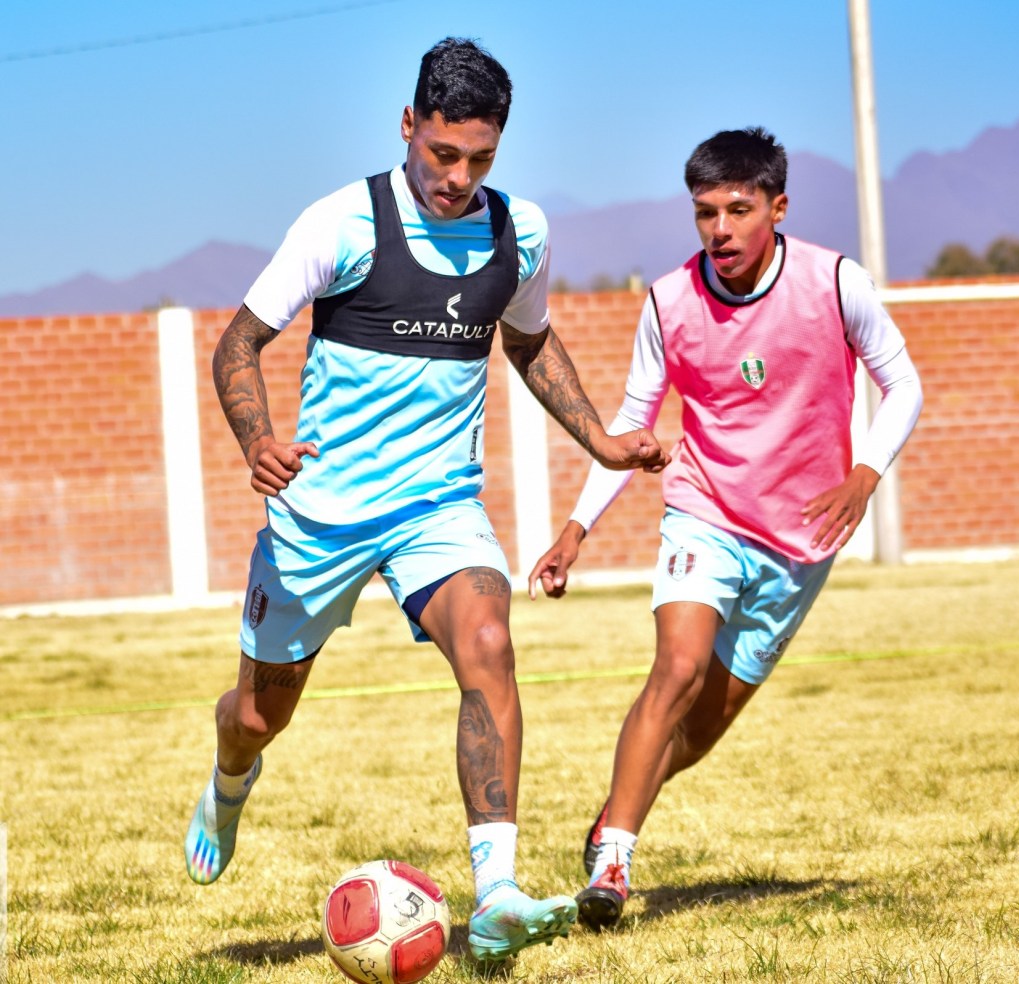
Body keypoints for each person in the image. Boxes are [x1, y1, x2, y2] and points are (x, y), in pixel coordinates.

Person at [182, 37, 668, 964]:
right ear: (409, 126)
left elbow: (527, 340)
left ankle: (496, 897)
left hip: (436, 504)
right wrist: (260, 444)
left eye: (479, 158)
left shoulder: (518, 231)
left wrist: (602, 438)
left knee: (489, 641)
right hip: (320, 512)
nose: (457, 177)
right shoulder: (342, 223)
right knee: (257, 714)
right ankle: (228, 781)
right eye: (443, 153)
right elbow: (236, 346)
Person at [529, 127, 923, 932]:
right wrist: (576, 529)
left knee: (704, 726)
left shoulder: (836, 282)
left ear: (777, 207)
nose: (721, 229)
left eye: (739, 210)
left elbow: (904, 383)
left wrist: (865, 471)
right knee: (676, 668)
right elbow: (631, 425)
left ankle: (612, 816)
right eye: (706, 212)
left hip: (800, 544)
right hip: (703, 512)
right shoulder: (670, 303)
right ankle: (614, 866)